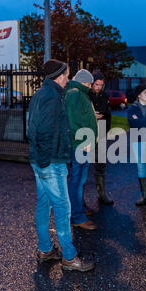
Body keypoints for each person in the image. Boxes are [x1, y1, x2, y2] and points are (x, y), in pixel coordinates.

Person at [27, 59, 95, 271]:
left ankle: (45, 249)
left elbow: (32, 128)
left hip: (41, 160)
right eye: (66, 74)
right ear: (58, 76)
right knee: (63, 207)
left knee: (44, 204)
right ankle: (69, 256)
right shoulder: (52, 97)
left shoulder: (42, 94)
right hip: (50, 161)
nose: (68, 78)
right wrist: (47, 161)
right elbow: (42, 132)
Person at [65, 69, 98, 231]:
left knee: (80, 180)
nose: (91, 86)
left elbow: (82, 117)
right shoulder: (75, 94)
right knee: (77, 181)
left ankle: (79, 209)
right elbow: (72, 120)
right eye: (90, 83)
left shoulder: (79, 93)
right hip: (80, 145)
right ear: (84, 82)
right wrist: (84, 139)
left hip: (84, 144)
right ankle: (77, 216)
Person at [88, 71, 114, 205]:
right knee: (83, 166)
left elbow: (108, 115)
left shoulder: (104, 96)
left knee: (101, 165)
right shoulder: (86, 95)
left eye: (101, 85)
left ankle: (102, 194)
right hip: (87, 134)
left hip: (102, 133)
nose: (98, 87)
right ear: (92, 83)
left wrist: (106, 131)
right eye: (96, 84)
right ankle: (80, 199)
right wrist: (92, 117)